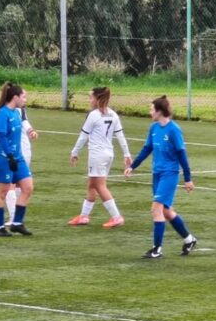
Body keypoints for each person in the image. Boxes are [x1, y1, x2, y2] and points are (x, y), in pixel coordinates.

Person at [125, 95, 197, 258]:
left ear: (159, 111)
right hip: (157, 173)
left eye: (151, 109)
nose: (150, 112)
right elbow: (146, 149)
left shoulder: (174, 130)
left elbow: (182, 155)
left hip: (169, 174)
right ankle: (189, 239)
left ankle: (157, 249)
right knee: (166, 211)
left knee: (156, 208)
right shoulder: (153, 128)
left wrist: (187, 178)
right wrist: (132, 166)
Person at [68, 87, 131, 229]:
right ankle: (84, 216)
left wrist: (74, 152)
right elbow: (120, 136)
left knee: (99, 185)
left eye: (91, 98)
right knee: (91, 184)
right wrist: (126, 154)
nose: (89, 100)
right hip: (109, 154)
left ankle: (116, 217)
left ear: (98, 99)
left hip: (97, 154)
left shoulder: (94, 115)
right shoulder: (113, 115)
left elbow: (83, 136)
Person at [0, 82, 34, 237]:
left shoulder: (17, 113)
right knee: (2, 192)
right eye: (24, 97)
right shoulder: (2, 114)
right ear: (15, 97)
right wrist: (9, 156)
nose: (25, 100)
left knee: (28, 187)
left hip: (18, 158)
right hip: (4, 159)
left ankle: (17, 223)